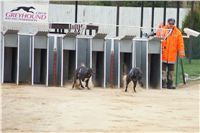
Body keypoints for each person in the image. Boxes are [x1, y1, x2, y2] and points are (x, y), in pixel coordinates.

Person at [157, 18, 185, 89]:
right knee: (163, 71)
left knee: (171, 71)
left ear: (174, 24)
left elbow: (180, 43)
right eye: (170, 24)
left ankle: (170, 84)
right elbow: (158, 36)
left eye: (172, 24)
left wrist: (181, 52)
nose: (171, 25)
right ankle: (163, 84)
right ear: (167, 23)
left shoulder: (178, 32)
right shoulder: (163, 29)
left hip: (172, 56)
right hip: (163, 55)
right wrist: (159, 27)